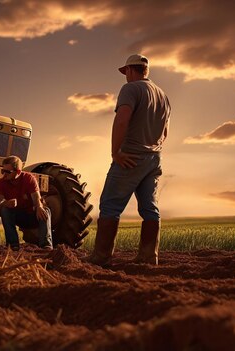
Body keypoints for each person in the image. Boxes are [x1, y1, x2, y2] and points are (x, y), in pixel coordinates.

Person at [88, 54, 171, 266]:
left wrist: (116, 152)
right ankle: (149, 256)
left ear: (130, 70)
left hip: (130, 156)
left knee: (110, 205)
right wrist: (153, 150)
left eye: (125, 73)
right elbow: (166, 131)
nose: (125, 77)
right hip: (154, 158)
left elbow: (122, 119)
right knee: (150, 208)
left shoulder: (131, 89)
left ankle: (101, 257)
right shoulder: (162, 95)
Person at [0, 156, 52, 250]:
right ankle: (13, 245)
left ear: (17, 172)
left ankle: (46, 245)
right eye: (2, 171)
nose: (4, 174)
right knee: (5, 210)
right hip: (17, 216)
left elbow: (36, 197)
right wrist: (5, 203)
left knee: (45, 210)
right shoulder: (1, 183)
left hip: (32, 215)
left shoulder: (29, 178)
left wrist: (39, 207)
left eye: (7, 172)